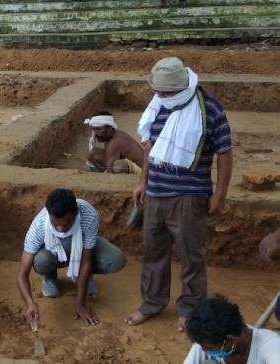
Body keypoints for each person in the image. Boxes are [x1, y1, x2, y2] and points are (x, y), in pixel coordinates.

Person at [124, 57, 234, 332]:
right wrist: (142, 181)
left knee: (191, 257)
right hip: (156, 194)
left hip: (190, 197)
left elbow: (225, 153)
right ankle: (151, 303)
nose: (159, 95)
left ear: (179, 87)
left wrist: (219, 194)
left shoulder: (208, 109)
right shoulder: (158, 105)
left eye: (165, 92)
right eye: (158, 91)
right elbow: (152, 148)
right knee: (153, 253)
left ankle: (191, 310)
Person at [17, 188, 127, 327]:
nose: (61, 228)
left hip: (81, 249)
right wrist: (29, 304)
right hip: (53, 253)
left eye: (66, 223)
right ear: (49, 214)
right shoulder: (39, 225)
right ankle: (50, 277)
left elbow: (86, 261)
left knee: (116, 259)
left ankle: (86, 278)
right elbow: (22, 275)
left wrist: (80, 304)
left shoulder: (88, 214)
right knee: (41, 261)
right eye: (55, 223)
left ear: (75, 214)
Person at [184, 295, 280, 364]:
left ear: (231, 339)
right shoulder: (206, 339)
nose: (203, 350)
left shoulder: (272, 348)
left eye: (209, 348)